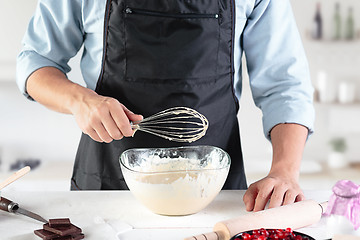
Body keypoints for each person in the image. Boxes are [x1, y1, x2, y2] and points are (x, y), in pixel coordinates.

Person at [16, 0, 314, 212]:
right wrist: (80, 100)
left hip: (213, 197)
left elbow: (285, 86)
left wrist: (285, 171)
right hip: (106, 192)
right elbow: (35, 63)